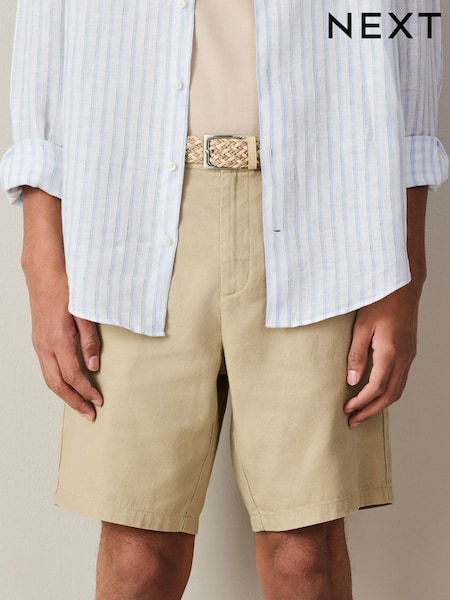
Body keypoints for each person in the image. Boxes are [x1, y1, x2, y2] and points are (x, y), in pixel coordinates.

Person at [0, 1, 448, 598]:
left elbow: (409, 27)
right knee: (138, 555)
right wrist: (41, 258)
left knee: (304, 554)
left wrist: (406, 271)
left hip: (324, 214)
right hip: (128, 215)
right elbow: (45, 29)